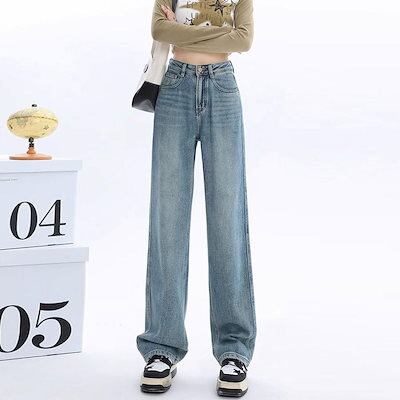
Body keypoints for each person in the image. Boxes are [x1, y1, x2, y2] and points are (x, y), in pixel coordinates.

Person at [136, 0, 256, 396]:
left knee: (227, 222)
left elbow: (244, 40)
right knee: (167, 219)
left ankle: (234, 350)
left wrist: (185, 33)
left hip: (223, 88)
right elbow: (160, 31)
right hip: (174, 87)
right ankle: (161, 346)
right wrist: (222, 34)